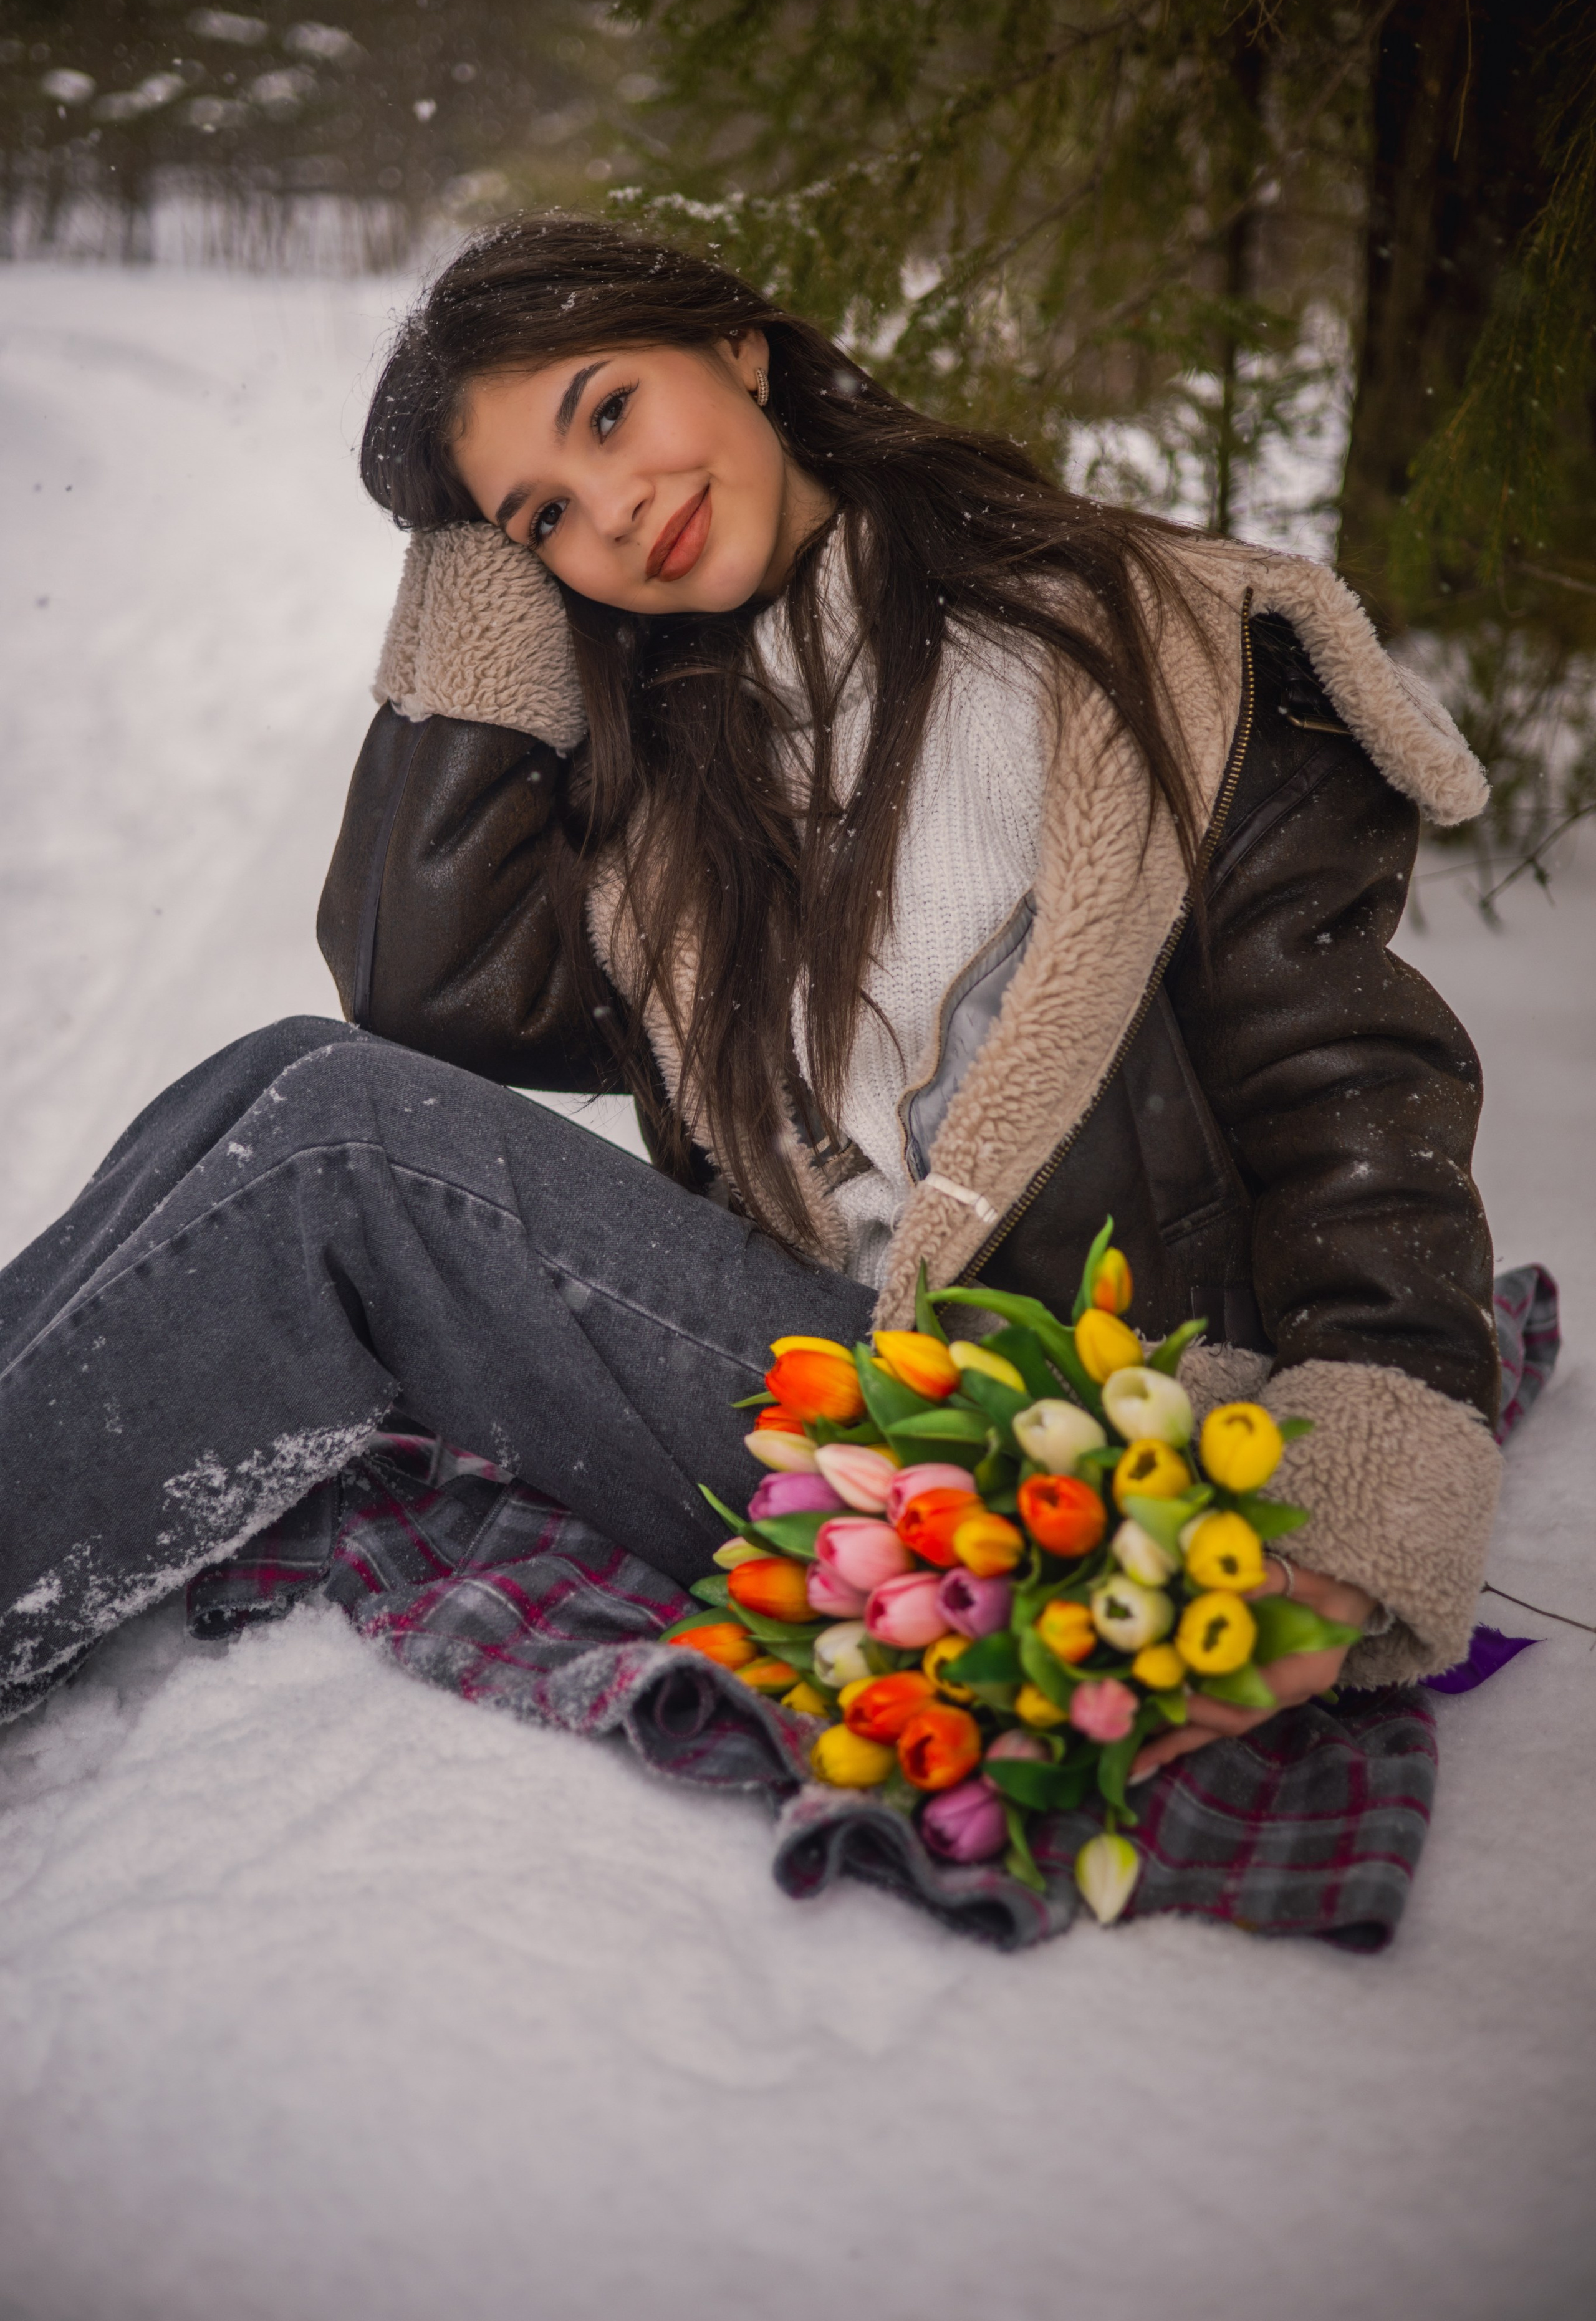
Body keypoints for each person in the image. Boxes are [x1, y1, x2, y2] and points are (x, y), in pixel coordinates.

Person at [0, 218, 1502, 1784]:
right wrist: (471, 553)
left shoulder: (1151, 639)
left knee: (336, 1148)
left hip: (1077, 1435)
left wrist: (1344, 1514)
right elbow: (419, 976)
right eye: (548, 517)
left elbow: (1345, 1088)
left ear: (737, 347)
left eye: (606, 412)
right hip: (847, 1369)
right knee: (280, 1077)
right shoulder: (684, 767)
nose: (618, 507)